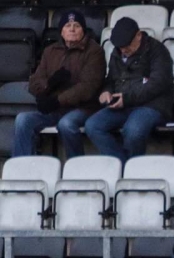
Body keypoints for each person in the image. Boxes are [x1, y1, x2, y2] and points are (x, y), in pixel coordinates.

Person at [12, 10, 105, 158]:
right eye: (68, 25)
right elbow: (35, 81)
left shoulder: (94, 51)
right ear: (61, 31)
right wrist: (49, 85)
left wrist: (56, 100)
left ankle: (75, 169)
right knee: (23, 120)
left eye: (77, 25)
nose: (72, 29)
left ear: (83, 30)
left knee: (66, 124)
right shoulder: (50, 51)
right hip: (55, 109)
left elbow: (87, 87)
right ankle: (22, 171)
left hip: (84, 108)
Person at [84, 17, 174, 162]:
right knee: (92, 125)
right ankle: (123, 165)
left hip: (151, 106)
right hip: (122, 105)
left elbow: (158, 83)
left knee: (133, 131)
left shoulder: (157, 51)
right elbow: (111, 79)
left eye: (127, 45)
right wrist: (106, 92)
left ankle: (131, 170)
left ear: (139, 35)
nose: (124, 50)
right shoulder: (117, 52)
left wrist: (126, 99)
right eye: (121, 47)